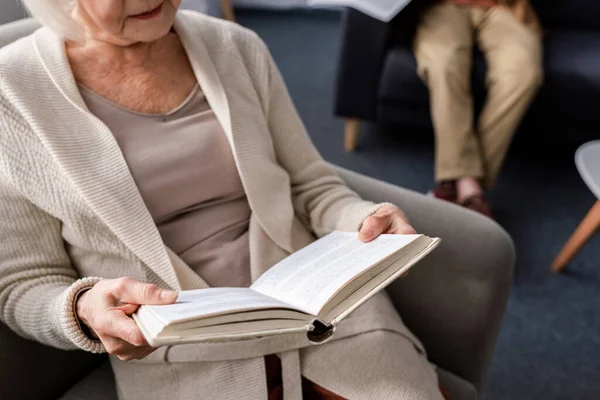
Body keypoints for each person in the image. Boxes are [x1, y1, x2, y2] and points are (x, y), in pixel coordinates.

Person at [0, 1, 447, 399]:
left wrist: (363, 218)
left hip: (325, 316)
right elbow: (23, 284)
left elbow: (311, 185)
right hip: (183, 355)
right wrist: (81, 310)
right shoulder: (11, 93)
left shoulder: (235, 45)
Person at [414, 0, 543, 219]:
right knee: (444, 64)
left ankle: (458, 183)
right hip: (442, 6)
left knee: (524, 74)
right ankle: (471, 191)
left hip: (505, 7)